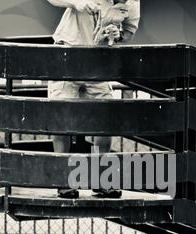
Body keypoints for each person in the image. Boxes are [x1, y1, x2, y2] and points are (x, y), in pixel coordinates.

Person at [47, 0, 141, 198]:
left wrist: (118, 35)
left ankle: (102, 181)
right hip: (67, 53)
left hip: (99, 61)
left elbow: (128, 31)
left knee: (104, 120)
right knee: (61, 118)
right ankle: (63, 181)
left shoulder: (133, 2)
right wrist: (77, 3)